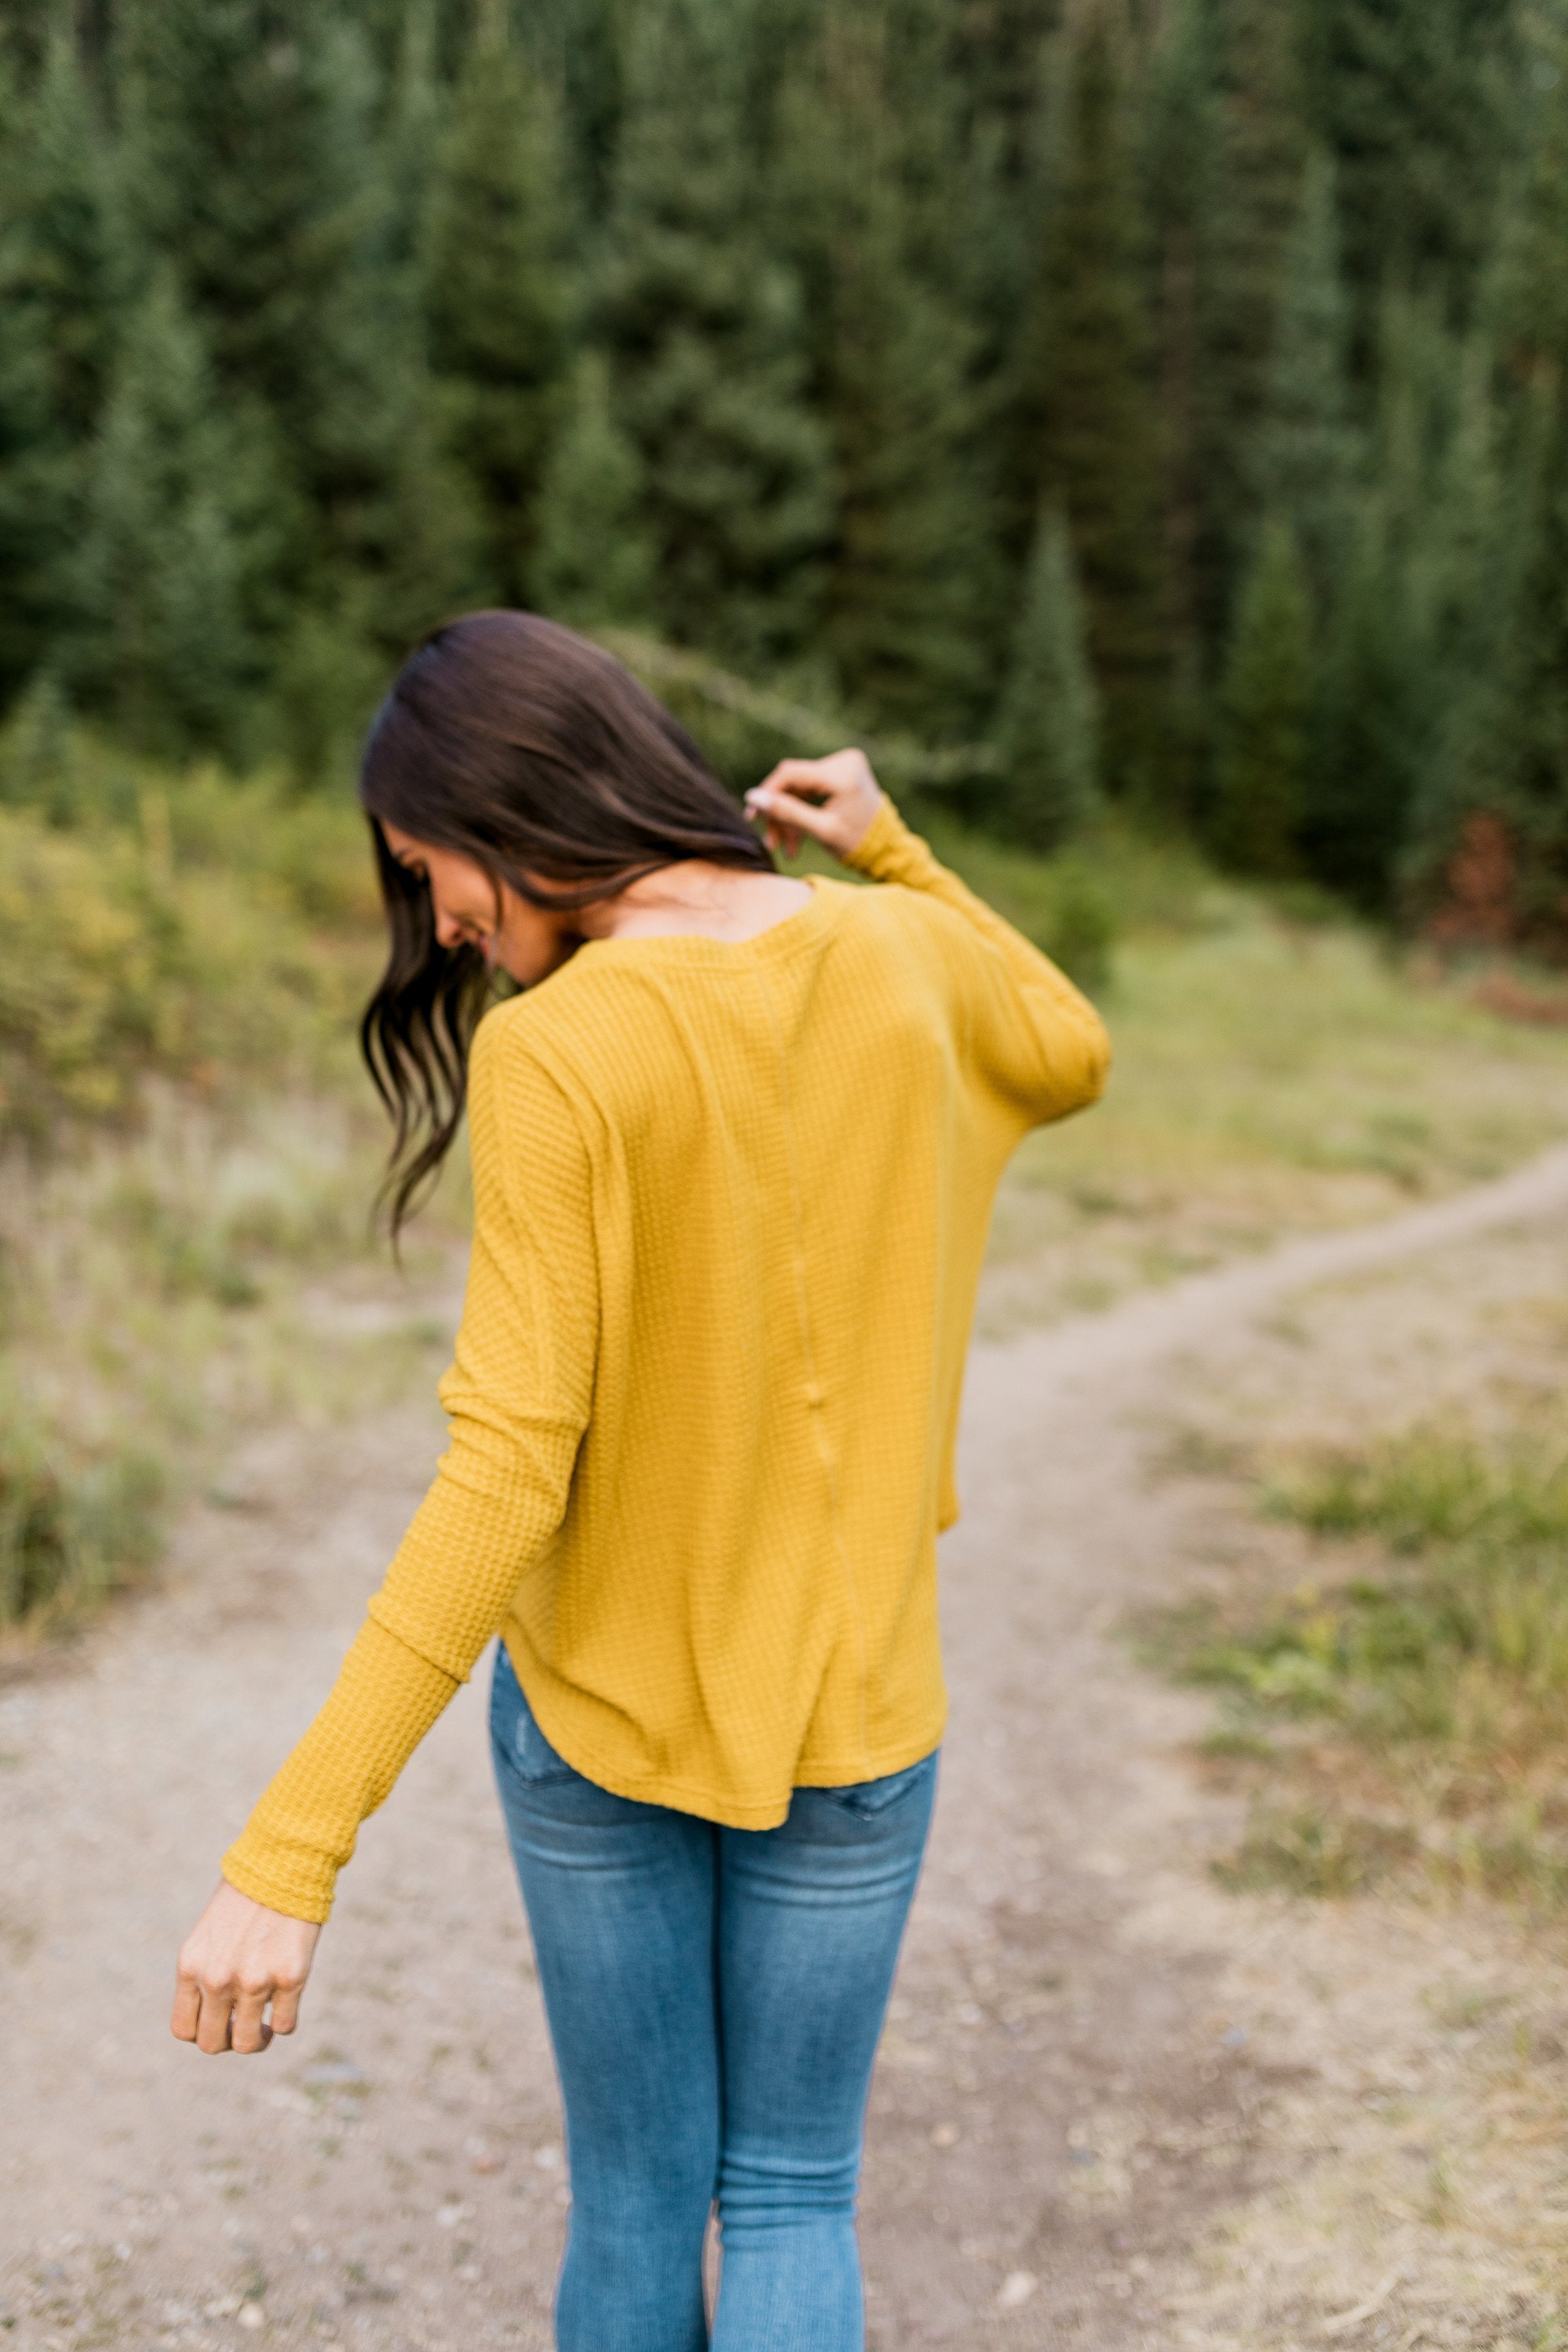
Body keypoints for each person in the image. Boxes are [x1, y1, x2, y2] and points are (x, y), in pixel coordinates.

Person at [171, 611, 1110, 2351]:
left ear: (508, 806)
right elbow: (1067, 1046)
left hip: (602, 1721)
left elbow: (508, 1472)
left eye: (427, 864)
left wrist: (291, 1851)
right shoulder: (901, 959)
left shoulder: (561, 1053)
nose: (441, 920)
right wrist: (895, 853)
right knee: (793, 2200)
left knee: (636, 2201)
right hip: (859, 1719)